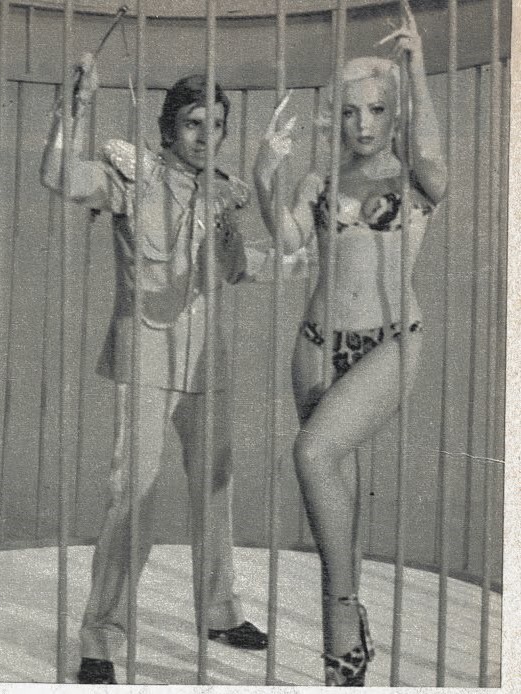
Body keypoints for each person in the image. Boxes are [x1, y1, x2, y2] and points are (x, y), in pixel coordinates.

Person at [40, 58, 268, 685]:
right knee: (131, 496)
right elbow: (58, 175)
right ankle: (100, 639)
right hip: (144, 355)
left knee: (215, 488)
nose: (205, 136)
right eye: (194, 123)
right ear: (169, 128)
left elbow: (231, 270)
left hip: (207, 362)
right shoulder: (130, 180)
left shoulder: (223, 190)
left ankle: (219, 613)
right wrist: (74, 108)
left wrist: (239, 230)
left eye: (216, 125)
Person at [253, 1, 446, 686]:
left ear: (394, 115)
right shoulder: (319, 183)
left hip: (389, 342)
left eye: (375, 111)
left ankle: (341, 619)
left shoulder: (415, 181)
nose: (361, 124)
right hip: (314, 343)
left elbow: (434, 160)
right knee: (332, 483)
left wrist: (414, 68)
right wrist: (264, 174)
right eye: (347, 112)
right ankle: (349, 639)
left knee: (311, 454)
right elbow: (285, 240)